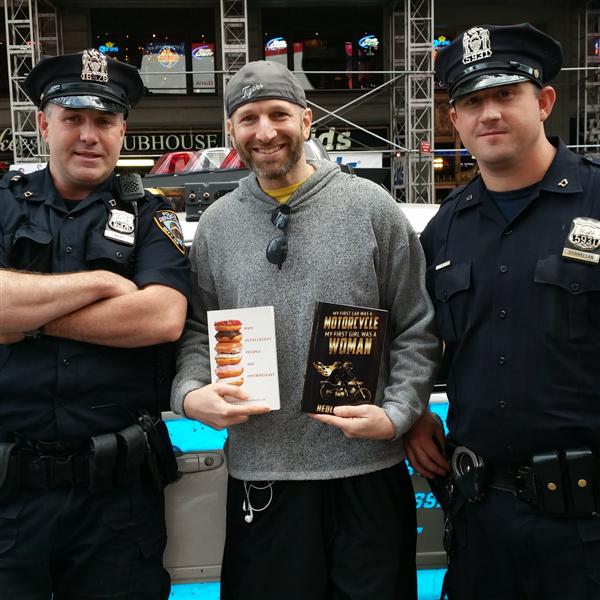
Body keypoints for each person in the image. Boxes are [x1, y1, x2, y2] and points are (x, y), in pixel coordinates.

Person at [171, 60, 440, 600]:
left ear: (306, 120)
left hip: (367, 471)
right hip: (264, 476)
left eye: (278, 114)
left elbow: (416, 325)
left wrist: (397, 414)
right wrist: (190, 392)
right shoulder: (217, 226)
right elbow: (199, 329)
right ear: (231, 130)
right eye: (249, 118)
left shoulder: (372, 208)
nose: (265, 131)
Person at [404, 23, 600, 600]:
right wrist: (412, 410)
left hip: (588, 529)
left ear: (544, 102)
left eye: (505, 95)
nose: (488, 114)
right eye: (472, 102)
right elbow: (416, 335)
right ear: (455, 119)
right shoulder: (446, 228)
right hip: (482, 518)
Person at [0, 49, 190, 599]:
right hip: (9, 499)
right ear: (44, 125)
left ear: (122, 131)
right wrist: (104, 283)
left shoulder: (154, 215)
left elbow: (162, 316)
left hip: (118, 503)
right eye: (73, 119)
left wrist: (28, 319)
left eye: (104, 121)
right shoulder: (3, 205)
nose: (89, 135)